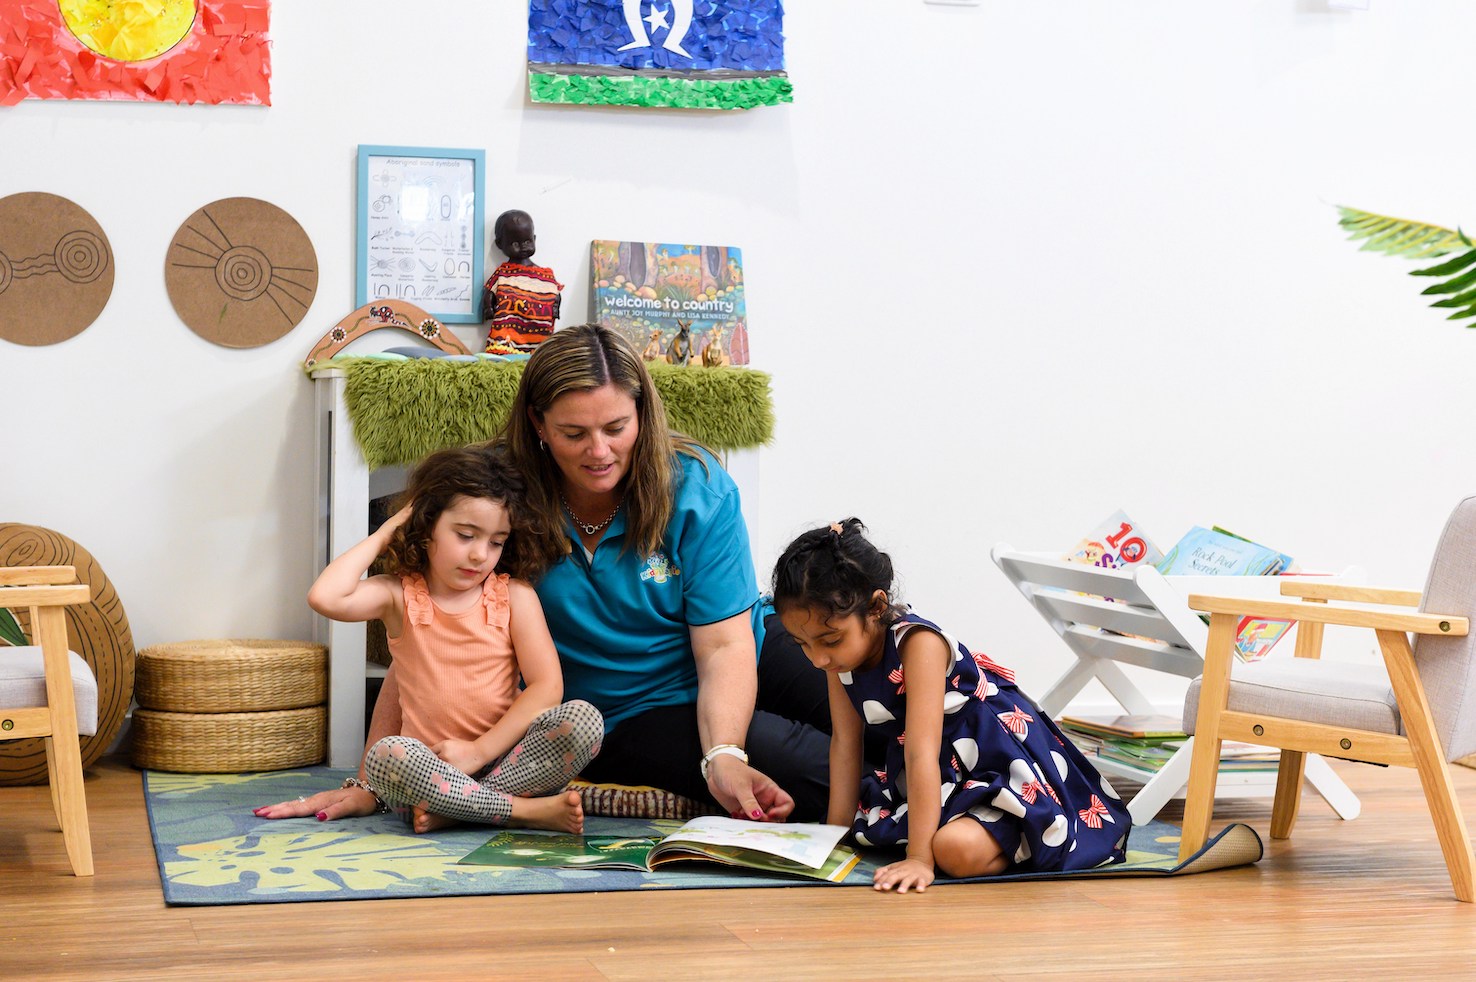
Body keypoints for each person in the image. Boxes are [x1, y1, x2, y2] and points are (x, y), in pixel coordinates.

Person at [493, 323, 831, 822]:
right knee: (815, 772)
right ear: (538, 425)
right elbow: (426, 620)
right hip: (633, 713)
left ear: (642, 414)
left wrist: (724, 751)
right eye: (573, 433)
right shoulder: (493, 495)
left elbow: (723, 645)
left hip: (736, 645)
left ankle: (979, 785)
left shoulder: (697, 485)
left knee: (877, 703)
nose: (599, 451)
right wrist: (725, 760)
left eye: (616, 428)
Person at [771, 519, 1132, 893]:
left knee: (951, 851)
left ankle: (1024, 836)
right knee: (873, 828)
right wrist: (833, 837)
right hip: (941, 777)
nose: (818, 659)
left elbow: (921, 752)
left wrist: (919, 859)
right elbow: (845, 742)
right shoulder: (836, 660)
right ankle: (960, 831)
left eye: (829, 640)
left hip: (999, 769)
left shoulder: (918, 643)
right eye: (803, 645)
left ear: (876, 607)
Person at [256, 445, 604, 833]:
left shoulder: (515, 596)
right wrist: (388, 531)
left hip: (505, 761)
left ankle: (458, 809)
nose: (479, 555)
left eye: (496, 541)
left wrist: (479, 751)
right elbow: (325, 596)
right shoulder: (398, 595)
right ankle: (524, 812)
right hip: (428, 767)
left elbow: (547, 687)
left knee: (583, 719)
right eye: (466, 535)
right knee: (387, 756)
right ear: (426, 525)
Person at [481, 209, 563, 356]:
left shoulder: (545, 274)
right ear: (500, 244)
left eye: (527, 241)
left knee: (541, 352)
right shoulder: (503, 273)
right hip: (508, 332)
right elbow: (489, 291)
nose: (523, 247)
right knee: (503, 351)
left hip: (539, 329)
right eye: (515, 243)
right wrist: (488, 308)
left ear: (534, 239)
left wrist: (555, 308)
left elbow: (554, 293)